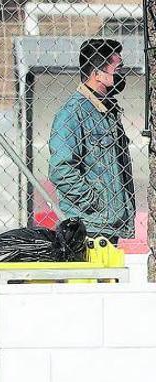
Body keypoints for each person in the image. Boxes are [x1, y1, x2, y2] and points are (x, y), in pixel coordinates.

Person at [48, 38, 135, 243]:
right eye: (118, 68)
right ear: (97, 74)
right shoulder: (73, 113)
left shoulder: (106, 110)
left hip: (107, 225)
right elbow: (60, 169)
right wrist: (95, 202)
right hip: (88, 227)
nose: (122, 74)